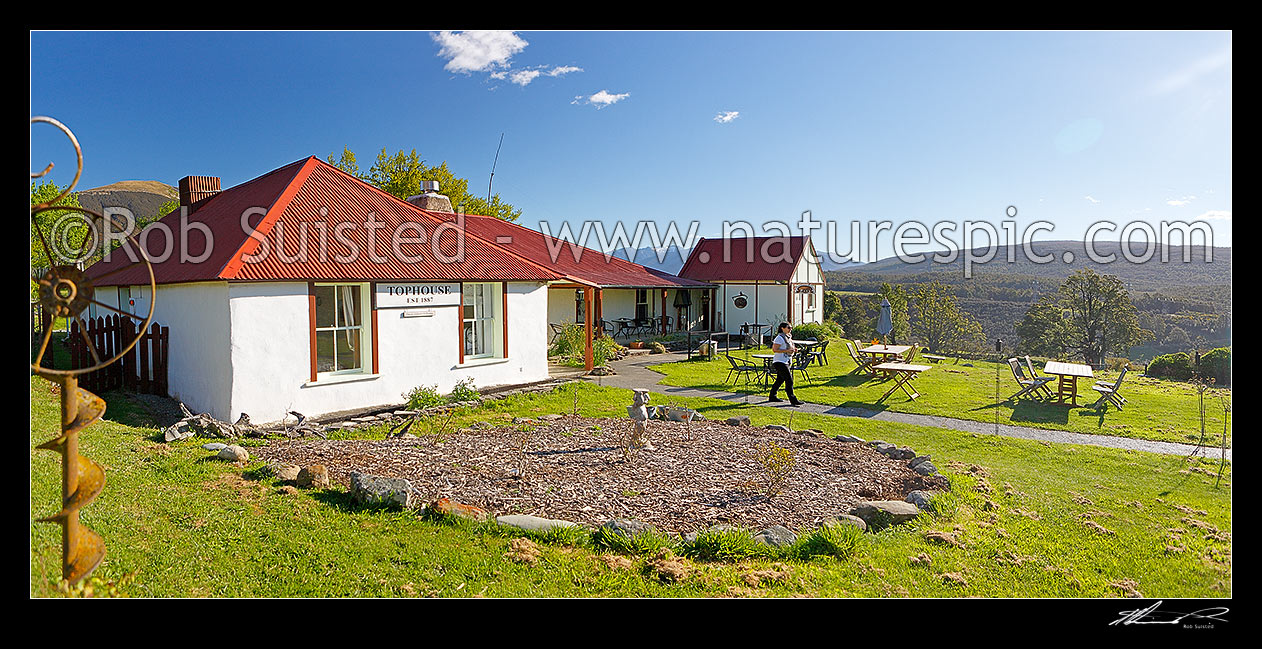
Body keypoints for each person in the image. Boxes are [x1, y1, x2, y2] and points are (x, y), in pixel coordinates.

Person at [768, 322, 803, 406]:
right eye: (788, 327)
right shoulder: (779, 338)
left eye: (791, 327)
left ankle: (772, 396)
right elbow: (775, 350)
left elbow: (788, 347)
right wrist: (787, 351)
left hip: (786, 361)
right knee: (789, 380)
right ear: (782, 328)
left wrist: (793, 350)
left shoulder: (788, 337)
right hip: (780, 362)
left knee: (780, 380)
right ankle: (793, 399)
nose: (790, 329)